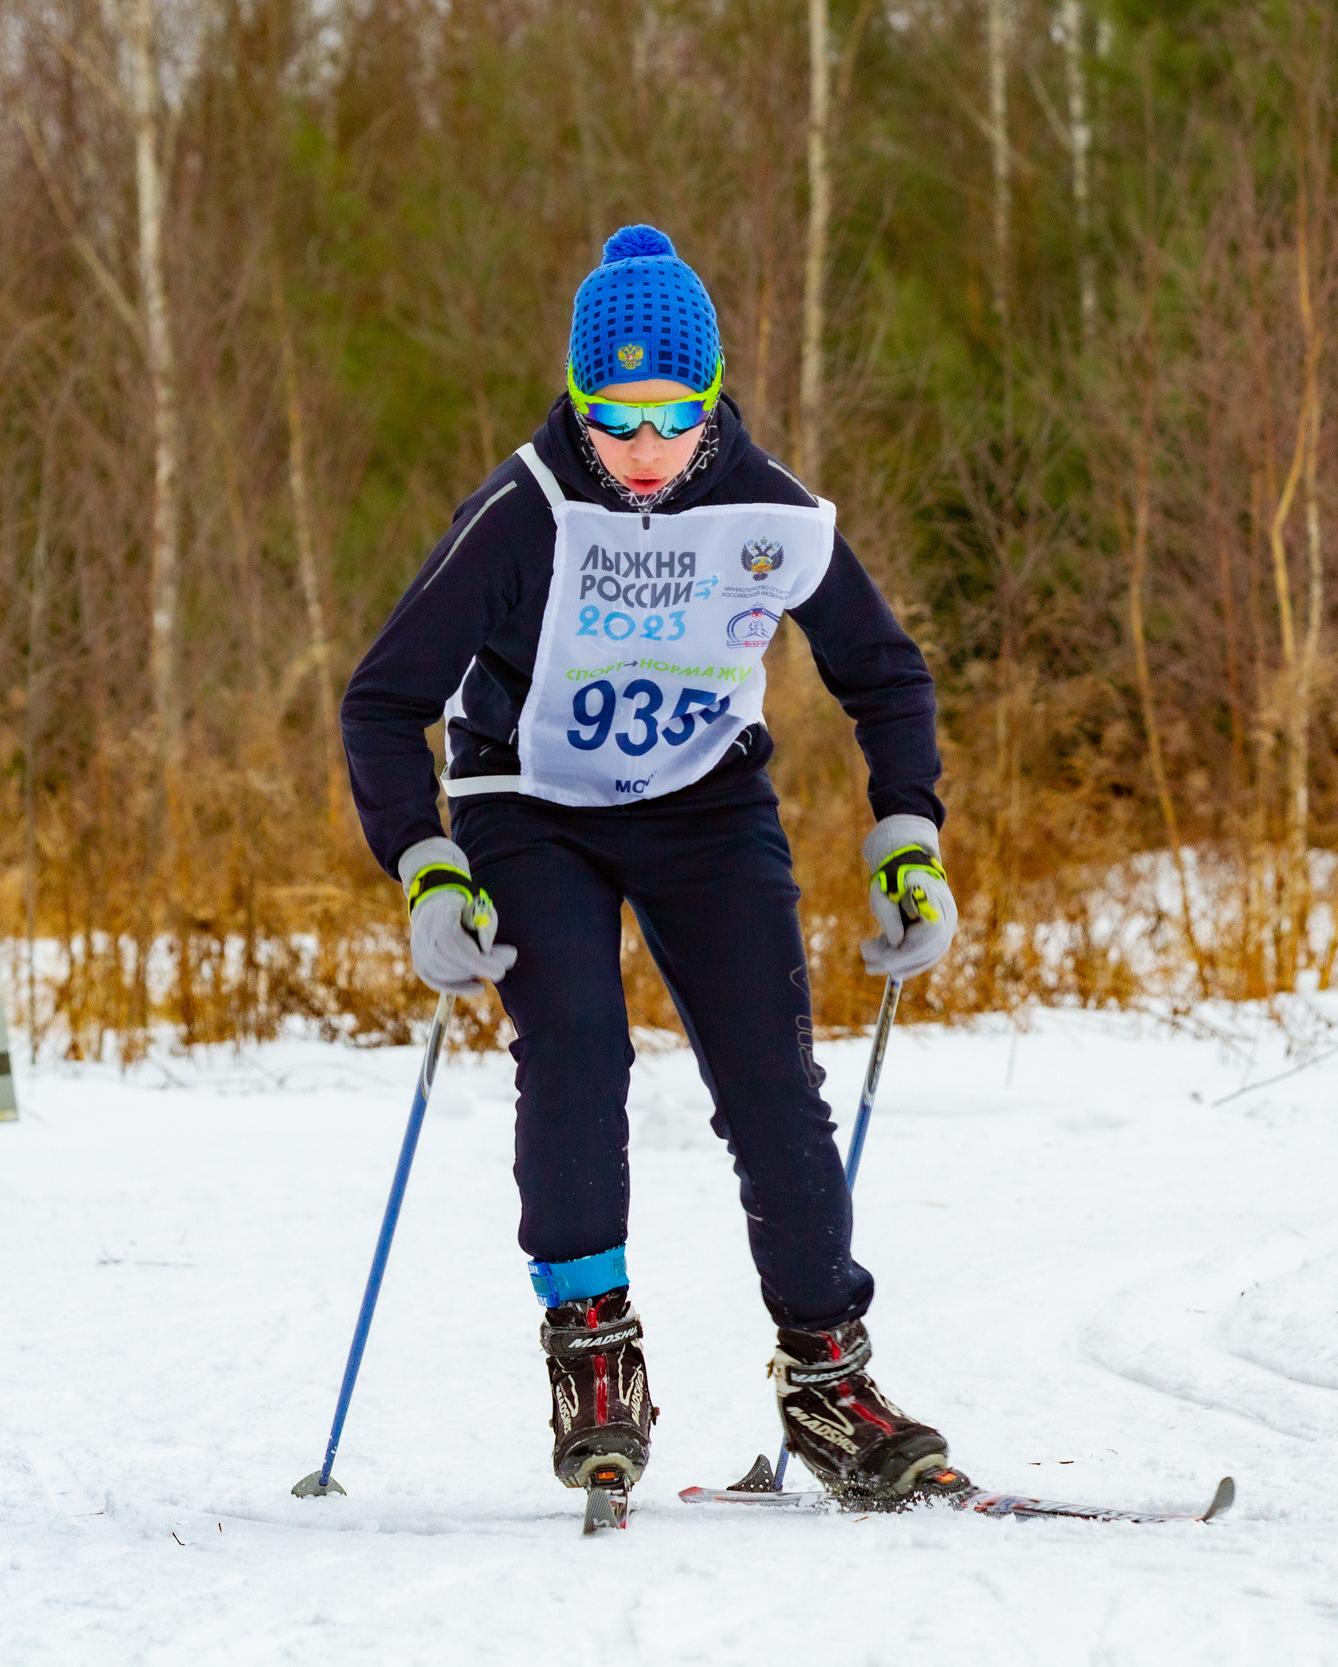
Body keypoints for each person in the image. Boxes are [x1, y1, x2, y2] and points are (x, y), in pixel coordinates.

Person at [340, 224, 965, 1502]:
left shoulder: (769, 511)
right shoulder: (524, 509)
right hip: (533, 804)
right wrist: (427, 864)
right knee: (575, 1052)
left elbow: (885, 673)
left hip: (703, 804)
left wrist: (908, 831)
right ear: (576, 399)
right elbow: (380, 697)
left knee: (772, 1087)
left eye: (667, 417)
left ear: (711, 395)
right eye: (609, 417)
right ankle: (594, 1352)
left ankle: (826, 1374)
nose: (636, 450)